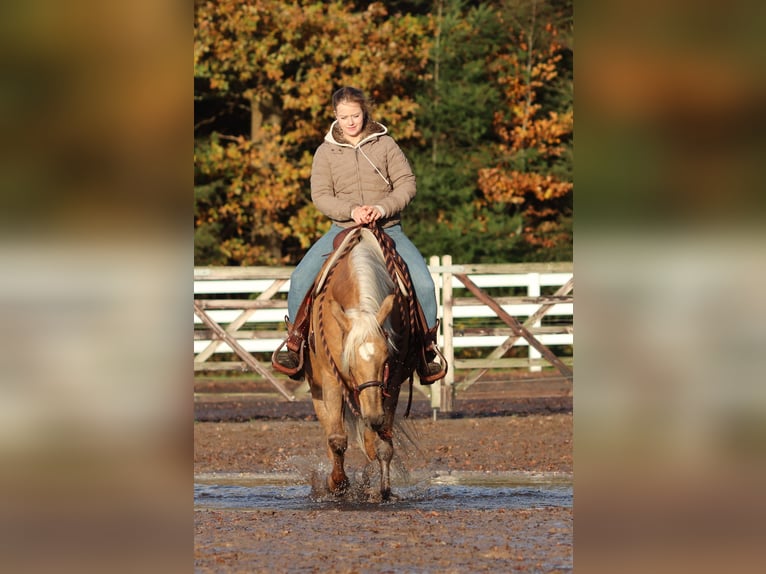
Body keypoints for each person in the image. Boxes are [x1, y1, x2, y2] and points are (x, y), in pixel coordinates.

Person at [273, 86, 445, 380]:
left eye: (355, 115)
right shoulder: (325, 152)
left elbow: (407, 184)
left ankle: (427, 350)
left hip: (388, 228)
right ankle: (295, 342)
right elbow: (321, 195)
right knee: (300, 277)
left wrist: (382, 207)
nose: (350, 122)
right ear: (335, 116)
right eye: (343, 117)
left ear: (365, 112)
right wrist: (352, 210)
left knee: (425, 284)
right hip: (343, 228)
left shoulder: (386, 144)